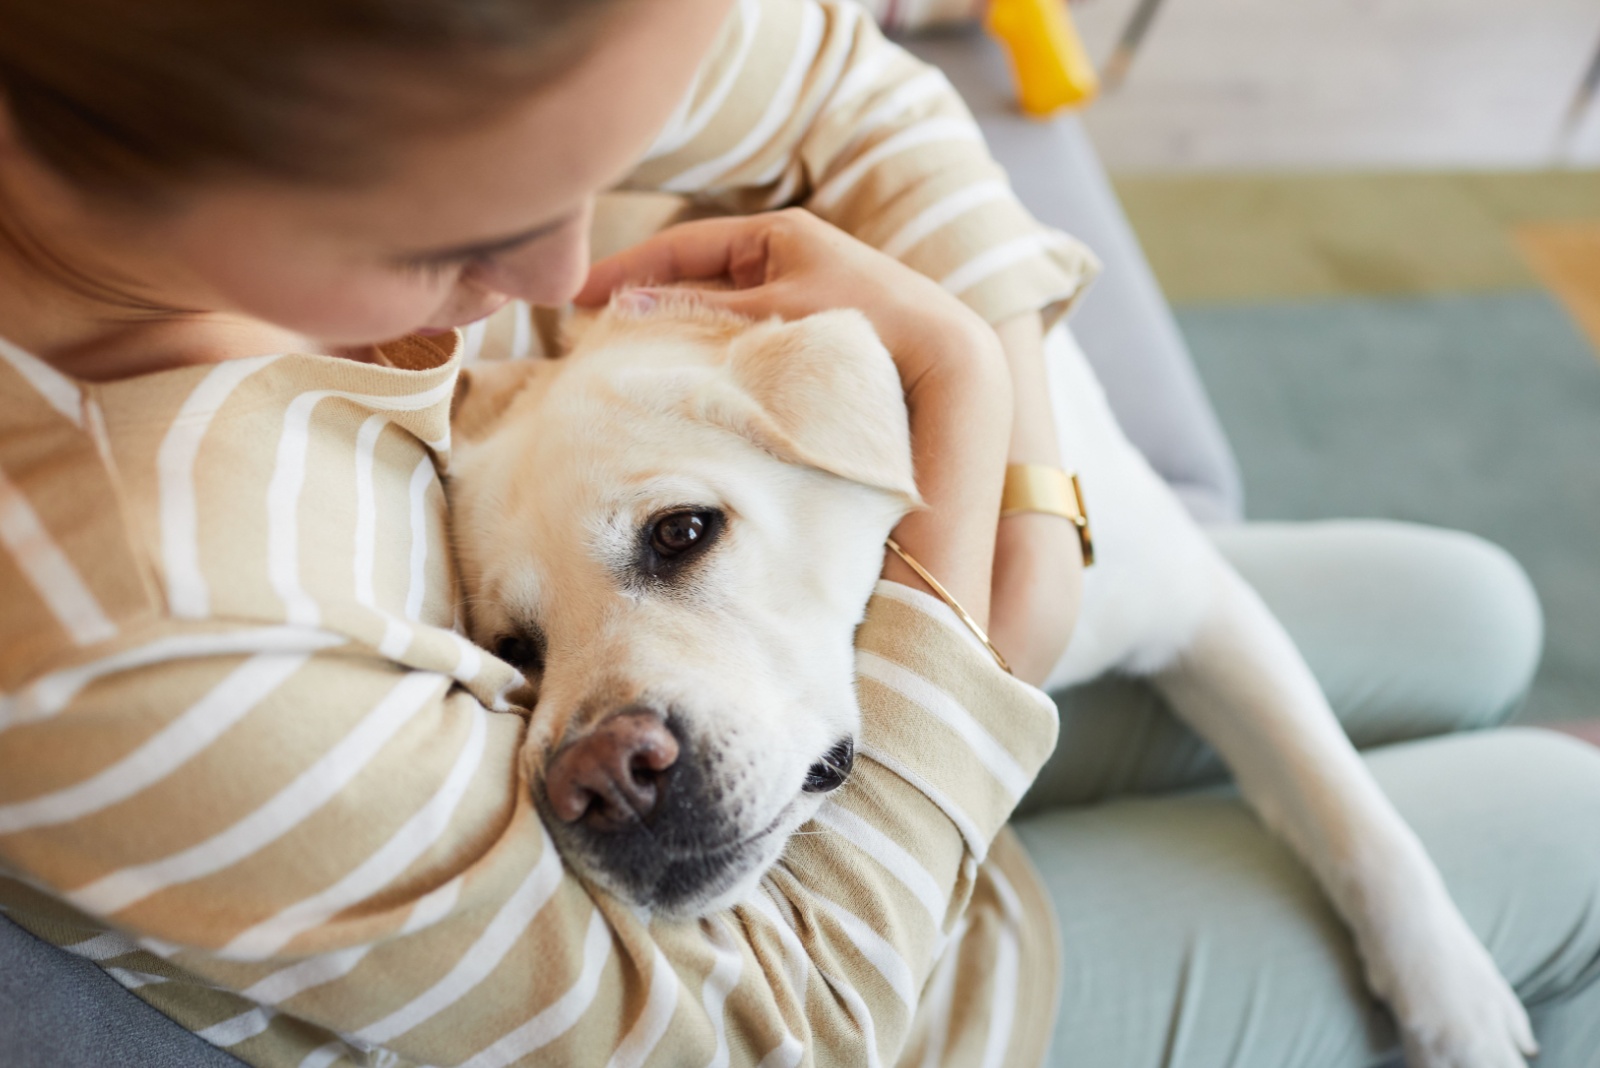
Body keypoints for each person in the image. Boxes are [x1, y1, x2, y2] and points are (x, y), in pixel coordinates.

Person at [0, 3, 1597, 1068]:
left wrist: (1012, 440)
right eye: (457, 234)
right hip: (833, 993)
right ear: (227, 156)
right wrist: (968, 427)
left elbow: (851, 80)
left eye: (594, 176)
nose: (572, 268)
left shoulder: (517, 44)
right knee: (1569, 826)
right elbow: (787, 1023)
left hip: (836, 733)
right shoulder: (123, 614)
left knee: (1470, 615)